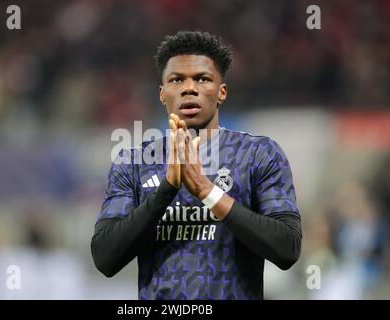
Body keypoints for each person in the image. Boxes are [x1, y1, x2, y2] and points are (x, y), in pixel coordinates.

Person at [91, 31, 302, 300]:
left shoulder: (258, 155)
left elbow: (287, 249)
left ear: (221, 92)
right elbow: (105, 258)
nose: (189, 88)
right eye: (176, 80)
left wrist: (206, 191)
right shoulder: (133, 162)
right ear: (162, 93)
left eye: (202, 79)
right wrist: (166, 189)